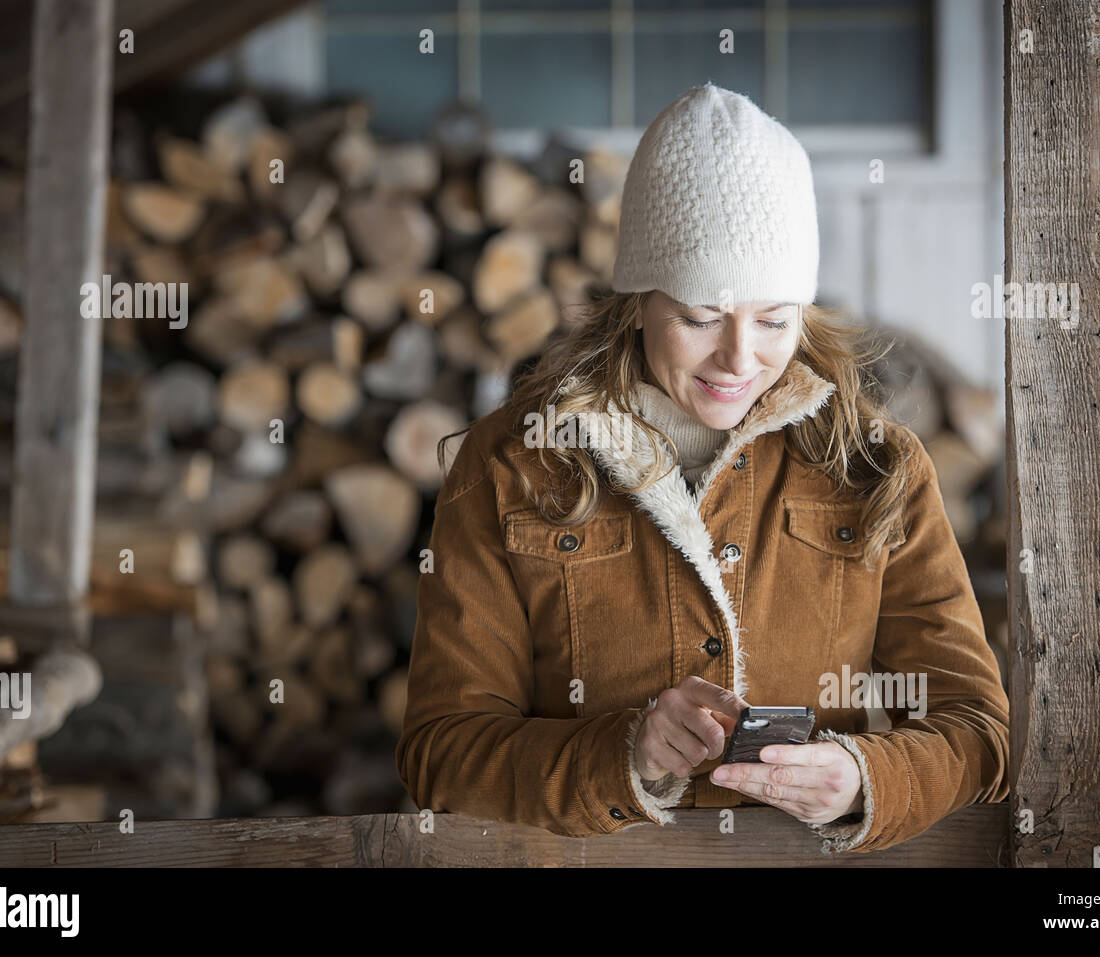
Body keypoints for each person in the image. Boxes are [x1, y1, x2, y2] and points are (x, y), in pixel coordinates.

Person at [396, 83, 1010, 853]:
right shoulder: (510, 465)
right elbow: (440, 754)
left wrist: (865, 777)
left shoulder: (875, 464)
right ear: (638, 298)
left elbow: (978, 733)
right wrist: (626, 757)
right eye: (700, 317)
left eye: (775, 320)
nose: (739, 358)